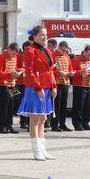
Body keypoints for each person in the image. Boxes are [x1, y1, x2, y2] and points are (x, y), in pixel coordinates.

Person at [17, 25, 56, 161]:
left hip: (46, 87)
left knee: (43, 119)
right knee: (35, 120)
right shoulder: (30, 50)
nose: (45, 37)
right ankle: (36, 150)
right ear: (34, 36)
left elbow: (50, 70)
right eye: (42, 35)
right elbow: (29, 71)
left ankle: (43, 149)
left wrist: (54, 86)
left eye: (46, 34)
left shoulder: (46, 50)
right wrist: (38, 88)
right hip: (35, 88)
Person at [0, 42, 21, 134]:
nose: (14, 56)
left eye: (15, 54)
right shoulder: (1, 57)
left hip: (12, 84)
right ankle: (2, 126)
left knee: (11, 106)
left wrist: (18, 70)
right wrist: (10, 74)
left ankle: (9, 125)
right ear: (9, 49)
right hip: (3, 84)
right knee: (3, 106)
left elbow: (13, 68)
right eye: (13, 53)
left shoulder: (15, 57)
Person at [72, 46, 90, 131]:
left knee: (87, 106)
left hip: (88, 85)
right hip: (79, 86)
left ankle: (85, 123)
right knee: (78, 106)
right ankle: (77, 124)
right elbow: (72, 71)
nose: (88, 57)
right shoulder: (77, 59)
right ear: (84, 51)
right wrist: (81, 72)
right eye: (88, 55)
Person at [51, 41, 74, 132]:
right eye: (63, 50)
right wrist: (58, 72)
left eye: (66, 51)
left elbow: (70, 68)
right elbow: (51, 69)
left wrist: (71, 73)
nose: (64, 52)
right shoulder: (53, 55)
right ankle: (54, 124)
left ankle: (63, 123)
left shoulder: (67, 57)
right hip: (57, 82)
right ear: (59, 48)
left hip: (66, 82)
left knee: (64, 104)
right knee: (56, 104)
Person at [16, 40, 33, 130]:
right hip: (22, 82)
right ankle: (23, 121)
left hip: (30, 82)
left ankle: (29, 122)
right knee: (23, 101)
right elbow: (15, 67)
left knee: (31, 102)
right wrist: (21, 69)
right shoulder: (19, 56)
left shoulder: (32, 55)